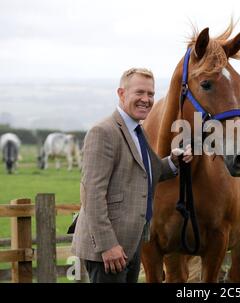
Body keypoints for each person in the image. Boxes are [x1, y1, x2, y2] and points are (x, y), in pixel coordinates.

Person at [71, 68, 193, 283]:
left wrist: (174, 161)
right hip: (108, 250)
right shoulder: (103, 132)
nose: (146, 100)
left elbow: (151, 172)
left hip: (132, 243)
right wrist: (108, 246)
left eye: (151, 94)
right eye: (139, 93)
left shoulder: (138, 131)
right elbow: (92, 194)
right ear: (121, 93)